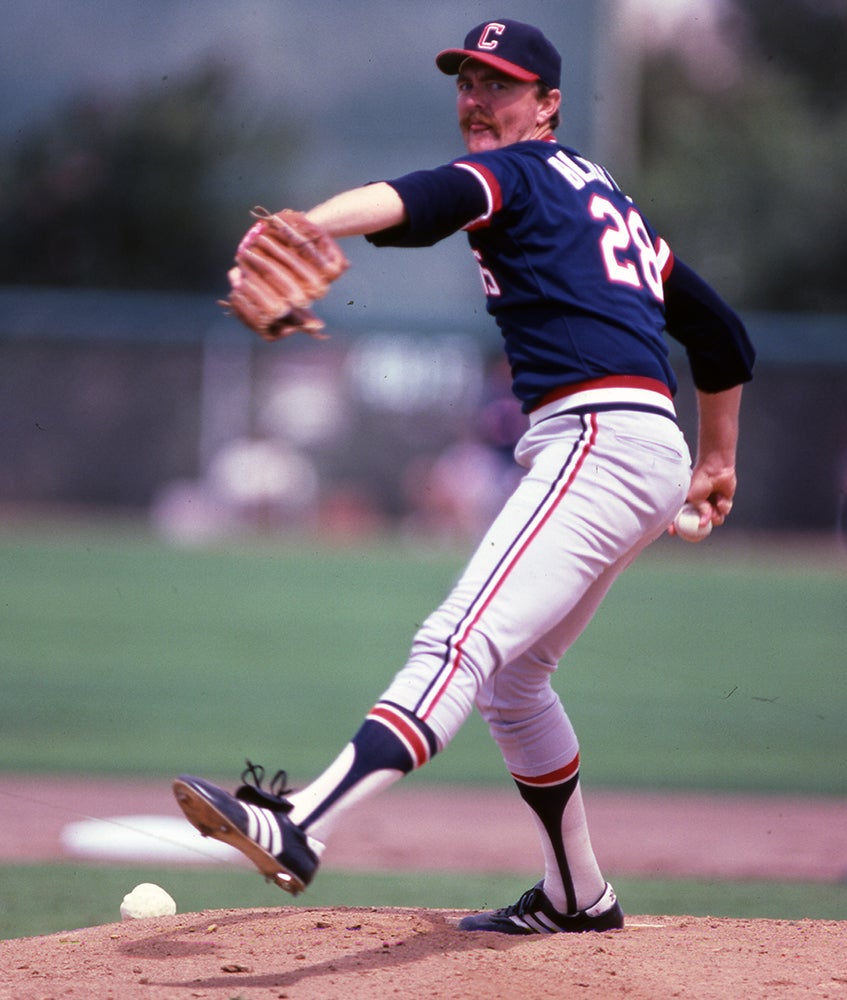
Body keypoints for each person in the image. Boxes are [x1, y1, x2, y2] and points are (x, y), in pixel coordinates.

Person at [174, 19, 755, 935]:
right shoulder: (610, 199)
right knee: (513, 685)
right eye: (467, 82)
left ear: (548, 105)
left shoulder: (519, 170)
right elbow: (721, 333)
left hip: (598, 440)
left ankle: (301, 824)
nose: (478, 101)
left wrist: (302, 225)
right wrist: (714, 460)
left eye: (501, 85)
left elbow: (421, 194)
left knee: (457, 642)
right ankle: (578, 897)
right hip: (636, 447)